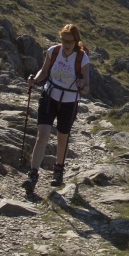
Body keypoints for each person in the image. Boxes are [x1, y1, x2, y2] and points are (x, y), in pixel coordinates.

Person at [23, 23, 90, 193]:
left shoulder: (82, 59)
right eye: (63, 40)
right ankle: (33, 175)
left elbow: (88, 87)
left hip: (69, 101)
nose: (66, 44)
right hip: (49, 96)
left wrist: (82, 85)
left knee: (62, 137)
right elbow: (44, 71)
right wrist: (35, 80)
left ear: (76, 41)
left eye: (69, 41)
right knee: (42, 135)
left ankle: (58, 170)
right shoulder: (53, 51)